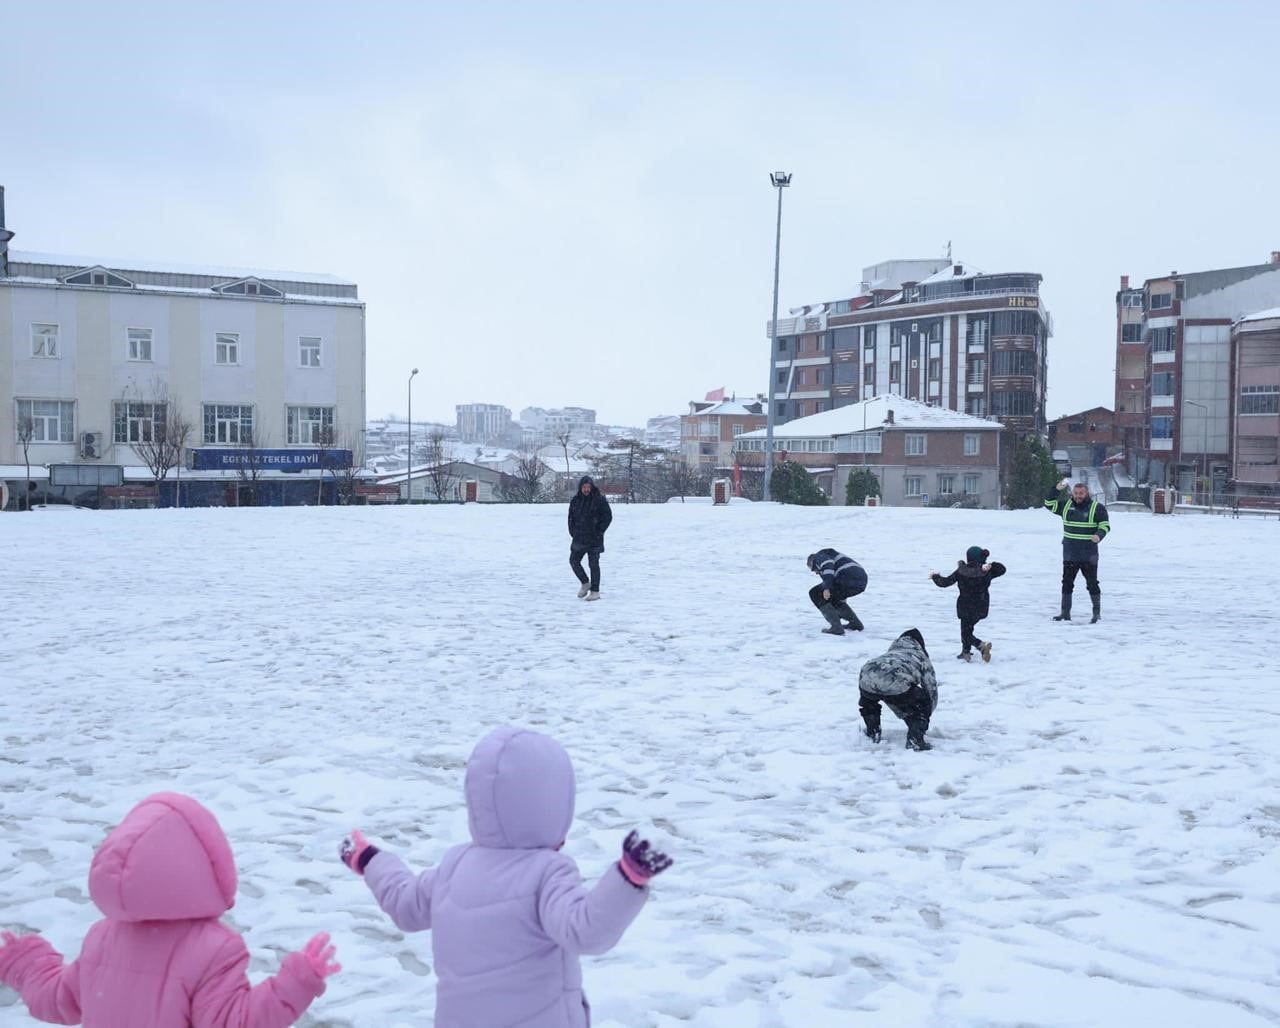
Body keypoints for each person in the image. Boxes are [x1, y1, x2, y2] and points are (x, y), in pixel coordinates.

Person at [340, 726, 673, 1027]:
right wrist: (628, 876)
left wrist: (369, 858)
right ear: (554, 805)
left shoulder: (454, 865)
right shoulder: (547, 872)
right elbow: (585, 932)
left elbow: (404, 904)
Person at [0, 792, 338, 1026]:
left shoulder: (103, 937)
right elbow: (232, 1022)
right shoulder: (215, 949)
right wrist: (294, 985)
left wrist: (26, 964)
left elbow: (60, 998)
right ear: (207, 865)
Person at [857, 629, 938, 751]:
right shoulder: (920, 657)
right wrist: (925, 714)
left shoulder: (893, 652)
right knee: (922, 703)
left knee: (869, 703)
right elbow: (931, 689)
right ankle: (915, 741)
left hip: (866, 675)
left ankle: (873, 732)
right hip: (896, 682)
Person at [1044, 477, 1111, 623]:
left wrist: (1099, 536)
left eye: (1081, 493)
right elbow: (1048, 504)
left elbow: (1105, 526)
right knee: (1067, 583)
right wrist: (1056, 489)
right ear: (1072, 494)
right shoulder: (1066, 506)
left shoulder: (1097, 508)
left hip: (1089, 555)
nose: (1078, 496)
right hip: (1070, 554)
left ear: (1087, 494)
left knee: (1092, 584)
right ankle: (1065, 613)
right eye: (1076, 493)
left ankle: (1096, 614)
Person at [931, 545, 1007, 661]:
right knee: (967, 630)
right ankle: (965, 653)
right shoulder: (986, 572)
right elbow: (1002, 569)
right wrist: (991, 565)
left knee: (966, 632)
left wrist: (935, 577)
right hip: (981, 606)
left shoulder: (961, 571)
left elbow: (944, 583)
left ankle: (981, 646)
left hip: (965, 606)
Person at [568, 475, 613, 601]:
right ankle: (585, 583)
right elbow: (570, 518)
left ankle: (595, 591)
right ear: (580, 487)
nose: (586, 489)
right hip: (579, 538)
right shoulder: (576, 500)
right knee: (573, 561)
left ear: (592, 487)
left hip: (595, 539)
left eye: (588, 487)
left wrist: (599, 531)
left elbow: (608, 517)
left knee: (593, 565)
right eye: (584, 487)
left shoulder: (599, 500)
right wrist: (573, 532)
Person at [806, 549, 868, 635]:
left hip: (848, 577)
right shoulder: (830, 555)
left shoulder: (819, 556)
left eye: (813, 569)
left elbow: (828, 566)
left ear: (812, 561)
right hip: (860, 581)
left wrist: (827, 588)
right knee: (833, 597)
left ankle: (836, 627)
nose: (816, 572)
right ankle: (855, 624)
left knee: (815, 593)